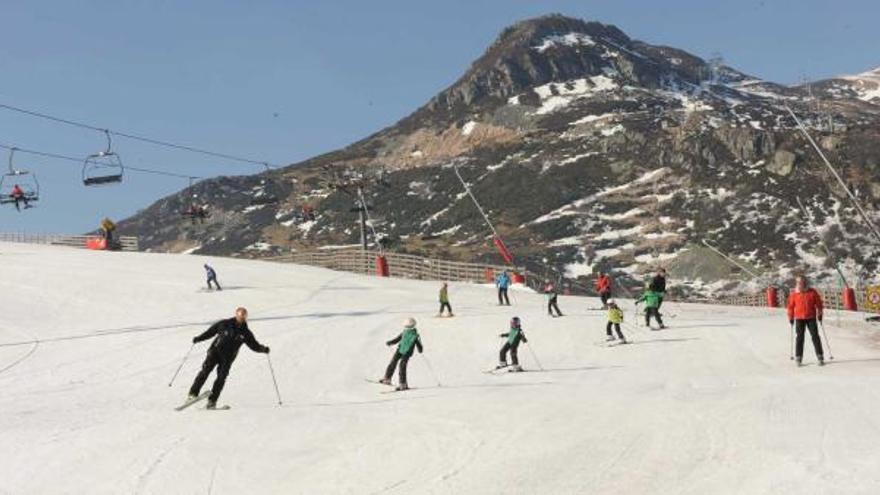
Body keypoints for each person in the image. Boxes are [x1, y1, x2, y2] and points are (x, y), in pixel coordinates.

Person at [187, 307, 270, 409]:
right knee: (205, 371)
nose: (242, 319)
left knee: (221, 378)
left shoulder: (246, 333)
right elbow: (210, 332)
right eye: (240, 317)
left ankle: (212, 401)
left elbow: (254, 345)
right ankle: (193, 394)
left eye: (244, 317)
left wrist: (263, 349)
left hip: (228, 358)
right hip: (215, 352)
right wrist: (199, 338)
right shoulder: (224, 324)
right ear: (236, 315)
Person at [787, 276, 825, 366]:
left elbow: (819, 304)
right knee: (800, 338)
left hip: (811, 317)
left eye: (802, 282)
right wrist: (791, 317)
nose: (801, 284)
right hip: (799, 318)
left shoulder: (812, 292)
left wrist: (820, 314)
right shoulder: (794, 294)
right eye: (799, 282)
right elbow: (790, 307)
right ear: (797, 284)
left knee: (815, 336)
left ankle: (820, 356)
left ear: (805, 283)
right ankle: (798, 357)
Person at [379, 317, 423, 390]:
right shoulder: (404, 332)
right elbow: (397, 339)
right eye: (406, 326)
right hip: (399, 349)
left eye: (408, 326)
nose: (407, 328)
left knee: (402, 365)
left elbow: (419, 345)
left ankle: (403, 384)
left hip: (407, 352)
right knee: (393, 362)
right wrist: (391, 342)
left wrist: (420, 349)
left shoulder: (415, 335)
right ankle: (387, 378)